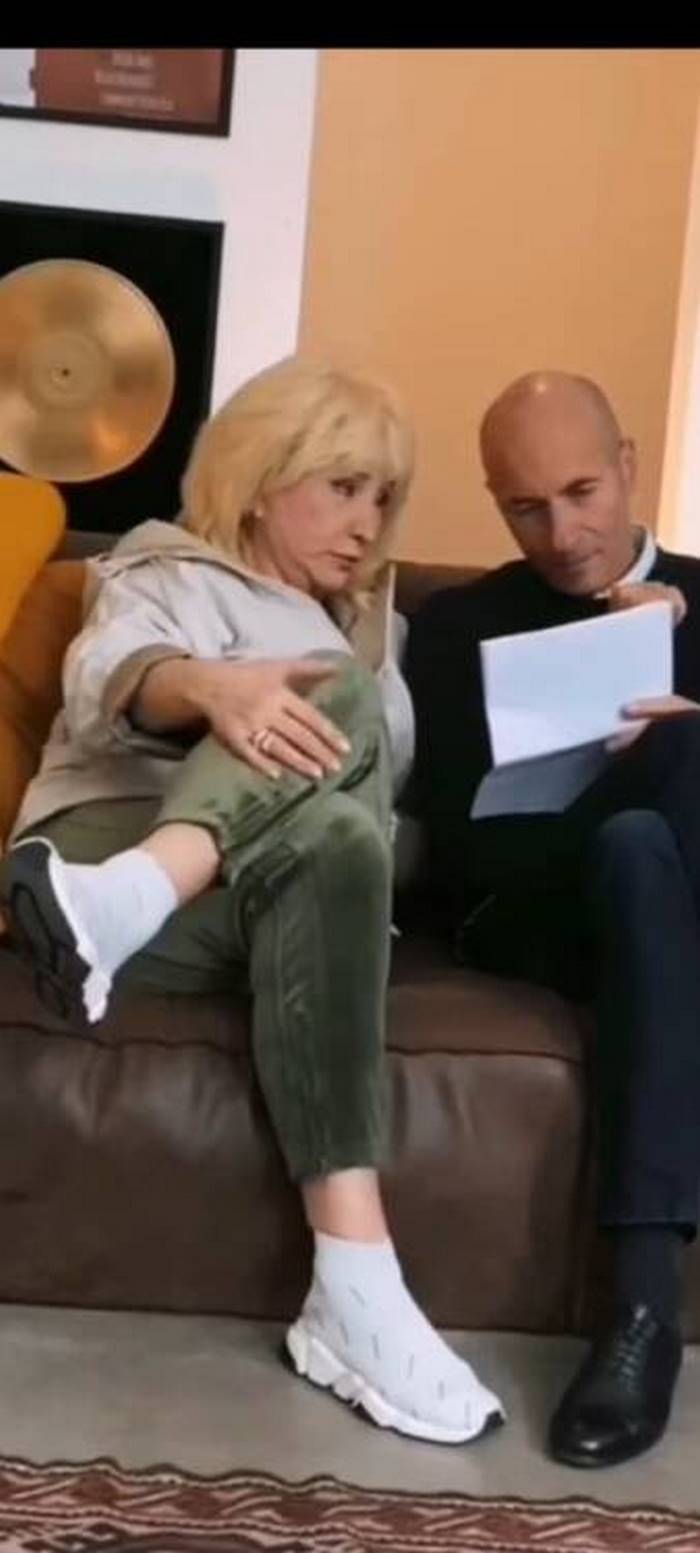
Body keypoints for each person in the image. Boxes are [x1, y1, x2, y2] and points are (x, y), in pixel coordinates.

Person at [0, 356, 503, 1446]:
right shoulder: (162, 566)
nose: (366, 524)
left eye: (382, 497)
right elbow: (113, 672)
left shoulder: (378, 635)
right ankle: (128, 892)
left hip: (270, 906)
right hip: (91, 851)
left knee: (343, 825)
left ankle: (353, 1287)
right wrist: (211, 685)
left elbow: (392, 812)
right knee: (328, 706)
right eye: (341, 486)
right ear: (263, 477)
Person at [404, 370, 700, 1468]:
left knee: (649, 835)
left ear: (628, 464)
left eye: (582, 492)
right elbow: (468, 848)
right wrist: (634, 768)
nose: (563, 534)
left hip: (663, 906)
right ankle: (639, 1309)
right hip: (531, 908)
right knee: (641, 818)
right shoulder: (456, 626)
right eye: (526, 507)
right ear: (496, 502)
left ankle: (642, 1311)